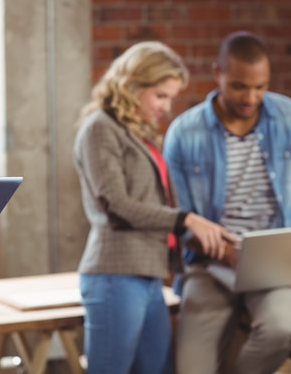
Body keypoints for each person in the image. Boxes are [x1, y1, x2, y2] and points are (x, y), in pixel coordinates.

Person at [72, 41, 238, 374]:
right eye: (160, 96)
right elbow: (116, 205)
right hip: (115, 274)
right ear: (132, 83)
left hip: (147, 276)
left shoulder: (135, 132)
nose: (167, 107)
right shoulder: (100, 128)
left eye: (170, 98)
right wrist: (186, 220)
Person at [164, 31, 291, 374]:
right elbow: (182, 220)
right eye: (238, 86)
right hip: (209, 266)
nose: (251, 97)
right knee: (191, 368)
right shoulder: (183, 133)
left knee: (284, 327)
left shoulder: (287, 118)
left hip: (274, 265)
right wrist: (223, 248)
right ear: (216, 72)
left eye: (260, 86)